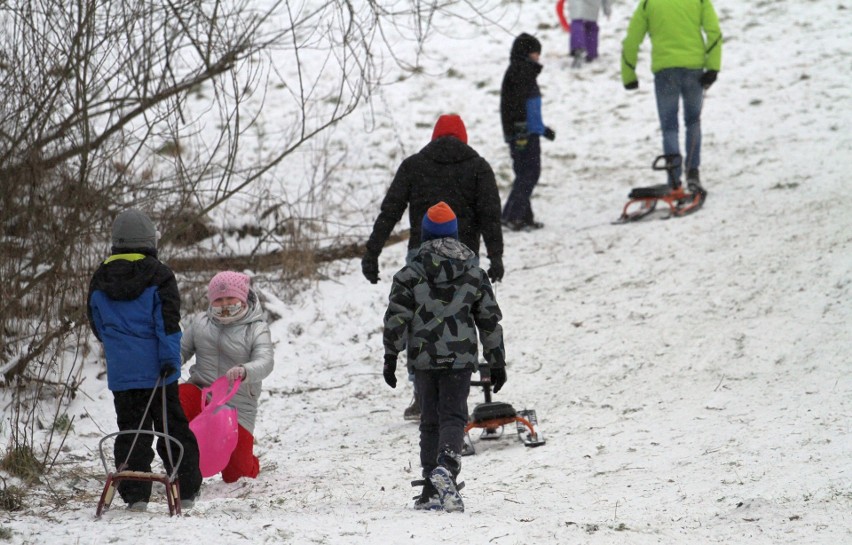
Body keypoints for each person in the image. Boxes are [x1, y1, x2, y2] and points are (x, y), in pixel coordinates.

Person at [361, 113, 504, 421]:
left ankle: (422, 395)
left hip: (421, 257)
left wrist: (372, 252)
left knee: (418, 321)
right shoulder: (478, 167)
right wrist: (497, 256)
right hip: (465, 259)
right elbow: (491, 215)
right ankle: (455, 392)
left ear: (434, 136)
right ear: (463, 138)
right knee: (463, 319)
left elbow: (391, 209)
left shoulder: (415, 165)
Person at [382, 202, 507, 512]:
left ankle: (429, 487)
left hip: (424, 358)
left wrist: (390, 354)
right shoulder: (473, 271)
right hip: (460, 357)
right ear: (454, 232)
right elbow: (489, 317)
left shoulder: (410, 273)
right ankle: (446, 467)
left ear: (425, 233)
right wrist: (496, 359)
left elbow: (396, 316)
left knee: (430, 421)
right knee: (453, 416)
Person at [87, 208, 202, 512]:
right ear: (150, 240)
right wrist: (169, 361)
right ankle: (186, 488)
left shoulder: (100, 277)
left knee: (132, 430)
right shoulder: (159, 275)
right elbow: (166, 324)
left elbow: (98, 324)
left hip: (124, 374)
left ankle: (135, 494)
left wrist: (119, 350)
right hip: (158, 372)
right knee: (171, 428)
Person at [179, 271, 275, 483]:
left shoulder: (256, 328)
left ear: (242, 297)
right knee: (175, 401)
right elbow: (181, 350)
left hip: (237, 405)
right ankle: (183, 463)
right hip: (202, 394)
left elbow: (266, 361)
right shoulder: (200, 323)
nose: (224, 304)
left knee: (236, 476)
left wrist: (245, 370)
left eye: (230, 298)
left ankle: (248, 460)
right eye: (218, 299)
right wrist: (169, 362)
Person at [621, 0, 722, 191]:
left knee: (669, 127)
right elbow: (714, 32)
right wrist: (713, 67)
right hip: (694, 69)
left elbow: (631, 40)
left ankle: (674, 178)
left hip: (665, 71)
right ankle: (693, 173)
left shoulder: (648, 3)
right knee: (693, 121)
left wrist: (629, 75)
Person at [500, 33, 556, 231]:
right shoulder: (523, 72)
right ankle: (511, 215)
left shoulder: (516, 71)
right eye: (535, 53)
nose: (538, 57)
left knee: (524, 174)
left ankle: (523, 217)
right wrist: (540, 130)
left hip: (517, 132)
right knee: (529, 173)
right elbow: (528, 107)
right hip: (524, 133)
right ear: (527, 53)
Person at [568, 0, 614, 67]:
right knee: (591, 26)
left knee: (577, 22)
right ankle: (591, 53)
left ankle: (578, 47)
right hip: (593, 4)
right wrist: (607, 9)